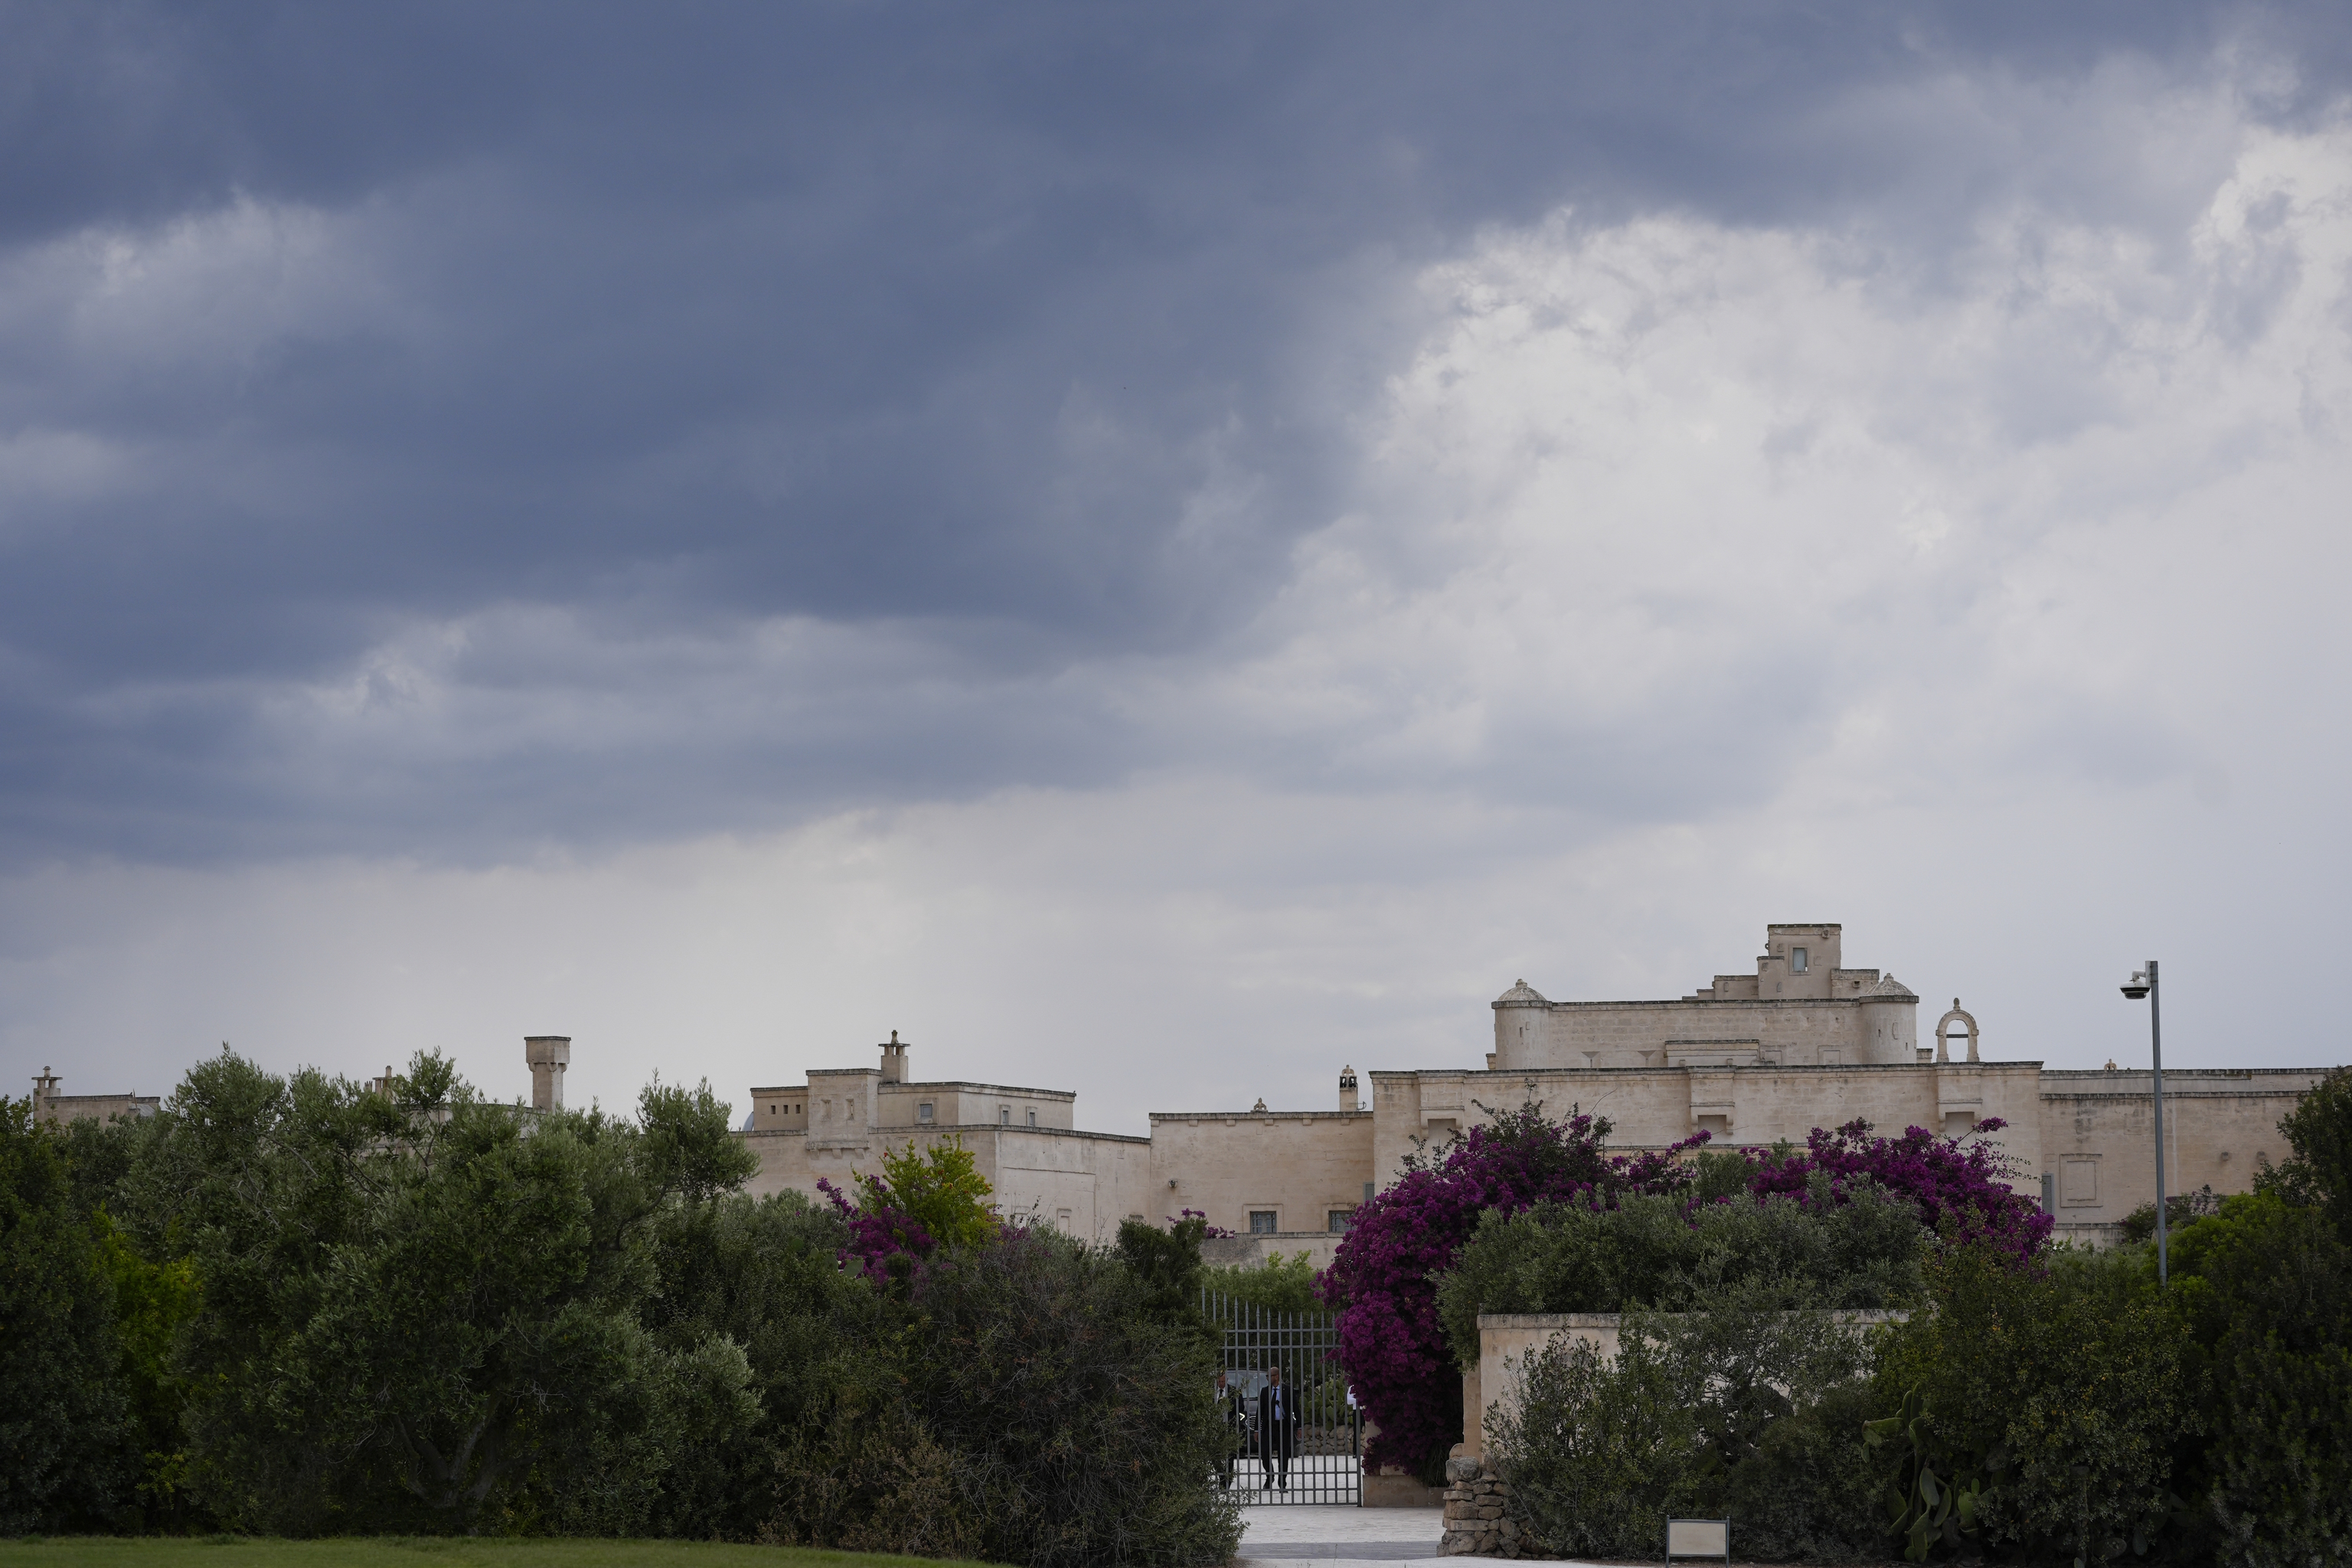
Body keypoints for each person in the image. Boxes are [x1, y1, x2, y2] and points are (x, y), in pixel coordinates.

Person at [1256, 1361, 1302, 1491]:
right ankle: (1270, 1476)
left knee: (1283, 1455)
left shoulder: (1287, 1390)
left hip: (1283, 1426)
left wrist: (1299, 1427)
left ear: (1276, 1377)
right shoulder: (1265, 1391)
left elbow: (1296, 1409)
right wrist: (1257, 1429)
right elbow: (1260, 1411)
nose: (1267, 1378)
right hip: (1268, 1427)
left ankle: (1283, 1483)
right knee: (1265, 1454)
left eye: (1269, 1376)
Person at [1214, 1370, 1246, 1488]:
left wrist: (1228, 1404)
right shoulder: (1211, 1392)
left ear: (1227, 1380)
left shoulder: (1234, 1392)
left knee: (1230, 1455)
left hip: (1229, 1426)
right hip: (1215, 1427)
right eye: (1219, 1381)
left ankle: (1227, 1481)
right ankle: (1222, 1476)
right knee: (1215, 1454)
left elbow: (1241, 1408)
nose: (1221, 1384)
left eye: (1223, 1381)